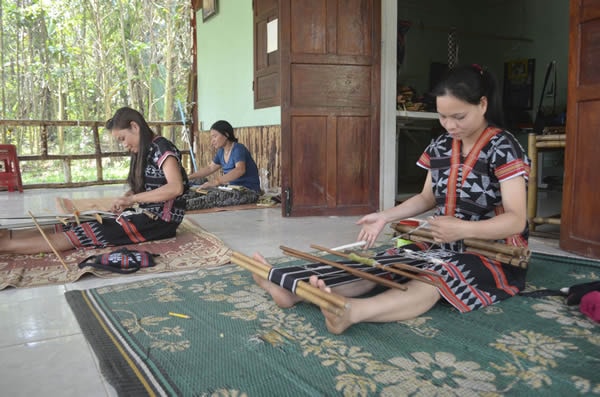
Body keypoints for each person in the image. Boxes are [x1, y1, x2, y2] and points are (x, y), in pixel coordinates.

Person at [252, 64, 531, 334]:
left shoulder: (504, 147)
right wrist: (385, 216)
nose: (449, 125)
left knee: (437, 276)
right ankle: (293, 294)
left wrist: (465, 229)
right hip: (445, 242)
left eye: (459, 117)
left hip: (493, 252)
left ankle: (353, 311)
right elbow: (426, 198)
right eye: (443, 117)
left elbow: (516, 219)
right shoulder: (441, 145)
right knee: (388, 262)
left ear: (482, 104)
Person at [0, 106, 189, 255]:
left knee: (90, 231)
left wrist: (132, 200)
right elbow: (145, 187)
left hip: (160, 223)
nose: (124, 145)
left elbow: (175, 187)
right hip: (145, 215)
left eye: (123, 138)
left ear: (135, 126)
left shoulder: (162, 147)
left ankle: (6, 246)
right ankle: (6, 235)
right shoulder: (144, 151)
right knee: (74, 222)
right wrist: (126, 198)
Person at [188, 120, 261, 192]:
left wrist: (216, 182)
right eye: (211, 138)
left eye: (215, 136)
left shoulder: (238, 149)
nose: (212, 141)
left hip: (249, 190)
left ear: (226, 135)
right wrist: (189, 177)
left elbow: (240, 170)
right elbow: (210, 168)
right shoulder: (221, 152)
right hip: (233, 189)